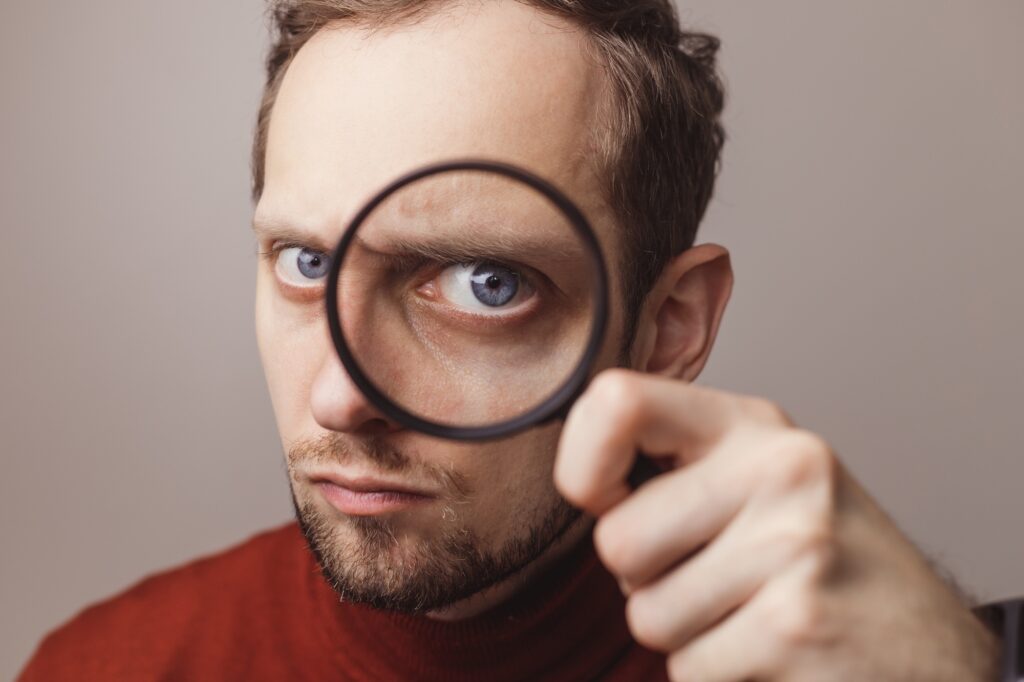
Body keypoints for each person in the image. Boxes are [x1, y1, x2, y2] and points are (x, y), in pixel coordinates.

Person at [18, 1, 1007, 680]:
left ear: (668, 326)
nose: (337, 396)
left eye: (484, 283)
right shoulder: (111, 664)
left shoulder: (851, 664)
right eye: (304, 263)